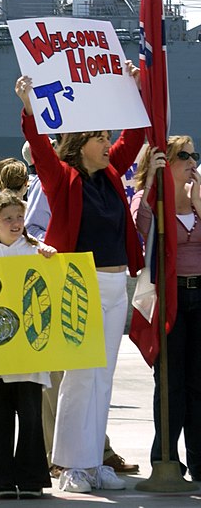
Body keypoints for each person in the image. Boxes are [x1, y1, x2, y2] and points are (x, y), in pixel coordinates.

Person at [15, 71, 144, 494]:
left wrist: (133, 90)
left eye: (109, 138)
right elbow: (38, 148)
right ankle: (70, 464)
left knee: (102, 374)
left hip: (113, 284)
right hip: (78, 282)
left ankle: (92, 460)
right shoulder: (62, 178)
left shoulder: (109, 175)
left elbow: (136, 137)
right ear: (81, 144)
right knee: (78, 374)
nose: (109, 145)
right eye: (101, 139)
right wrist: (30, 109)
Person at [0, 191, 55, 499]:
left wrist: (51, 259)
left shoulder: (35, 252)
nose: (16, 223)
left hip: (28, 353)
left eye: (20, 217)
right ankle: (2, 478)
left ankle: (32, 478)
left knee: (31, 416)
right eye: (8, 219)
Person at [131, 138, 201, 480]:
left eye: (194, 155)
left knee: (199, 382)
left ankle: (200, 461)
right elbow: (140, 231)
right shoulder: (153, 202)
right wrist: (151, 188)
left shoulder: (199, 200)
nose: (192, 162)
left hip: (200, 294)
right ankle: (166, 460)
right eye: (184, 156)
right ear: (166, 163)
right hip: (170, 299)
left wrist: (199, 205)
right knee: (170, 382)